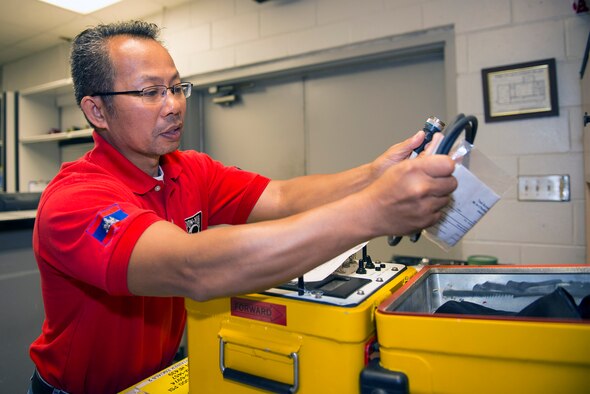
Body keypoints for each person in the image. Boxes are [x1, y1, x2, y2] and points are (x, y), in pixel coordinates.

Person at [28, 20, 457, 394]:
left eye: (177, 88)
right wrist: (372, 212)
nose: (174, 105)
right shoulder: (76, 200)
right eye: (150, 92)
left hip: (159, 377)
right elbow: (192, 268)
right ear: (96, 110)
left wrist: (375, 174)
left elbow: (283, 198)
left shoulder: (188, 169)